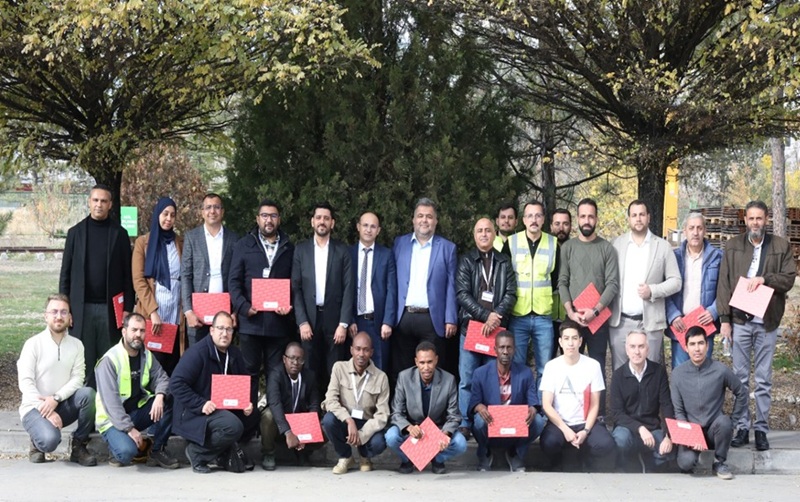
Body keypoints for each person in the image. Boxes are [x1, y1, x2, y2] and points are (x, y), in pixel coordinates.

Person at [716, 200, 796, 451]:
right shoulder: (733, 246)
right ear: (745, 220)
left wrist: (765, 279)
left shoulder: (780, 246)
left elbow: (789, 279)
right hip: (740, 322)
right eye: (751, 218)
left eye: (759, 218)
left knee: (763, 379)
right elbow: (724, 284)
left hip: (767, 322)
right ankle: (742, 427)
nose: (755, 223)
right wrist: (725, 320)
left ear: (766, 219)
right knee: (740, 378)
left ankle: (761, 429)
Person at [59, 184, 134, 387]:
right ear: (89, 202)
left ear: (110, 204)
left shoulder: (119, 234)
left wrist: (127, 309)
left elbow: (128, 275)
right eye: (95, 200)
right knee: (83, 360)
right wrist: (65, 310)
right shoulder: (75, 233)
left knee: (109, 360)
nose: (99, 204)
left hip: (110, 310)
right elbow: (65, 275)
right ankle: (84, 402)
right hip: (81, 309)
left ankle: (108, 402)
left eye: (103, 201)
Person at [171, 311, 256, 474]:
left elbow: (245, 382)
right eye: (220, 328)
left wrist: (246, 403)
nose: (225, 333)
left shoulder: (234, 353)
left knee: (253, 416)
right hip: (193, 412)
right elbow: (175, 383)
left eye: (229, 329)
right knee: (233, 426)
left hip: (220, 408)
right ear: (211, 330)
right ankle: (197, 453)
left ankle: (223, 451)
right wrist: (200, 404)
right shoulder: (197, 353)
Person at [17, 294, 97, 466]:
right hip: (34, 408)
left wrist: (56, 399)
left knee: (88, 395)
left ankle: (78, 446)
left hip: (61, 403)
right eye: (54, 312)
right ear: (45, 316)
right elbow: (25, 382)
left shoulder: (77, 345)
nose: (59, 316)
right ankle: (36, 442)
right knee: (50, 441)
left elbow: (78, 378)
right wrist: (46, 409)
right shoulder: (33, 344)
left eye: (63, 312)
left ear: (70, 317)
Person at [229, 199, 295, 402]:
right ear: (257, 219)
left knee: (276, 375)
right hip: (251, 323)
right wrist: (243, 307)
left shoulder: (288, 247)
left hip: (278, 324)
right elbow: (233, 281)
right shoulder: (243, 245)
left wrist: (289, 305)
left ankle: (273, 418)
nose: (269, 220)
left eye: (273, 216)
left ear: (279, 219)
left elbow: (294, 283)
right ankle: (249, 417)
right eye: (265, 215)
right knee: (249, 373)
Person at [455, 217, 516, 437]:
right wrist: (485, 316)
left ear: (494, 234)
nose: (484, 234)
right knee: (467, 378)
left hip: (496, 332)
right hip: (471, 328)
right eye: (479, 230)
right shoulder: (466, 261)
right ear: (474, 235)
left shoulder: (504, 261)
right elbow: (462, 294)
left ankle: (493, 420)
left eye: (488, 230)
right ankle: (465, 422)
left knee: (493, 378)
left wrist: (495, 317)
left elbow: (511, 293)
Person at [558, 198, 618, 415]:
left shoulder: (607, 249)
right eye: (582, 216)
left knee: (597, 367)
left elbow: (612, 284)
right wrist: (570, 312)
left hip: (598, 319)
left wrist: (596, 310)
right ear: (577, 219)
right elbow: (562, 282)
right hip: (573, 319)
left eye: (590, 216)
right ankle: (570, 413)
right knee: (570, 365)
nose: (586, 220)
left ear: (597, 219)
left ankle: (598, 415)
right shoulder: (568, 248)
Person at [95, 312, 179, 468]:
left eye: (142, 330)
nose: (138, 335)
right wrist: (129, 429)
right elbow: (112, 404)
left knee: (169, 397)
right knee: (126, 453)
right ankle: (115, 447)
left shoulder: (146, 355)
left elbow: (162, 378)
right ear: (124, 331)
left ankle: (157, 450)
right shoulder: (109, 360)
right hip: (112, 420)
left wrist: (160, 396)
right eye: (134, 330)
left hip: (135, 413)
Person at [609, 200, 681, 369]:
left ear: (648, 217)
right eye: (634, 215)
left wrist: (653, 291)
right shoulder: (615, 245)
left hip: (651, 322)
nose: (638, 218)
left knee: (650, 373)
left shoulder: (662, 246)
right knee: (620, 372)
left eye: (642, 214)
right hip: (621, 322)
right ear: (629, 219)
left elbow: (676, 281)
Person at [292, 202, 354, 391]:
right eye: (318, 217)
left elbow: (349, 288)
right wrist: (302, 321)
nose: (322, 221)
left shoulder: (342, 251)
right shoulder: (301, 250)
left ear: (332, 223)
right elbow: (296, 288)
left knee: (334, 369)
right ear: (312, 222)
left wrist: (343, 324)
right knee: (309, 368)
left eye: (326, 218)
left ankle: (332, 407)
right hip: (309, 321)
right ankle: (311, 407)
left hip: (334, 322)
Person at [393, 198, 458, 377]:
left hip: (432, 319)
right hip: (403, 317)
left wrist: (450, 318)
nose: (424, 220)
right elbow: (392, 282)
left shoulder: (447, 248)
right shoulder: (399, 244)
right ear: (413, 220)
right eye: (420, 216)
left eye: (429, 216)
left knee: (433, 371)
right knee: (403, 371)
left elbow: (452, 285)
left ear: (436, 221)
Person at [671, 327, 747, 479]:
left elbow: (742, 393)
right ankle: (694, 457)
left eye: (701, 343)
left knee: (725, 422)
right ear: (686, 348)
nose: (697, 349)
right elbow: (678, 411)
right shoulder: (677, 374)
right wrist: (691, 437)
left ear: (707, 345)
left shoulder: (720, 370)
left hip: (714, 430)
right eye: (692, 344)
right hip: (691, 431)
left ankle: (719, 461)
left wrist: (733, 421)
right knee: (685, 463)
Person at [539, 320, 615, 470]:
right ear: (560, 342)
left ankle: (586, 458)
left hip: (585, 422)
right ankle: (558, 463)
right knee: (549, 443)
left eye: (574, 338)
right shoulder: (551, 366)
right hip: (560, 423)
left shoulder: (593, 365)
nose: (570, 343)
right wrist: (565, 429)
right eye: (566, 338)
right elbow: (546, 405)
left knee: (605, 444)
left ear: (580, 341)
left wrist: (586, 431)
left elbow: (595, 404)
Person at [468, 331, 546, 472]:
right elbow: (474, 402)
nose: (505, 352)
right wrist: (479, 407)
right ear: (495, 349)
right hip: (492, 422)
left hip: (515, 424)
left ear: (514, 349)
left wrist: (533, 409)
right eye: (502, 347)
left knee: (539, 421)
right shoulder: (480, 373)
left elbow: (533, 401)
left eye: (509, 347)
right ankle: (486, 452)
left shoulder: (525, 372)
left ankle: (516, 453)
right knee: (478, 420)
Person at [386, 341, 467, 474]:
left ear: (436, 360)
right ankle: (408, 460)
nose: (426, 367)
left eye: (429, 362)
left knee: (460, 443)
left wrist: (444, 435)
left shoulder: (449, 380)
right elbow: (396, 413)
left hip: (437, 428)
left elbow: (454, 416)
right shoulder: (404, 377)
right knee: (391, 436)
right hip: (413, 429)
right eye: (422, 363)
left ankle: (437, 459)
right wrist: (409, 428)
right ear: (416, 362)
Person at [502, 200, 559, 388]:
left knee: (545, 368)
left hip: (543, 315)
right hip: (518, 314)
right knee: (517, 367)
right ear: (523, 220)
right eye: (530, 216)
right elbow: (504, 277)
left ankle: (542, 405)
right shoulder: (511, 243)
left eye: (538, 215)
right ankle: (520, 404)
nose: (534, 219)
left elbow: (556, 278)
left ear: (543, 219)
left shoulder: (553, 243)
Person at [321, 332, 389, 474]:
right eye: (357, 349)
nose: (361, 354)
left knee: (379, 442)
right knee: (328, 420)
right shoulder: (339, 368)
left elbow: (382, 415)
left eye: (365, 350)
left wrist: (362, 435)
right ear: (351, 350)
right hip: (345, 421)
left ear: (371, 352)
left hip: (366, 423)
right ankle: (345, 456)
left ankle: (365, 456)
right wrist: (348, 420)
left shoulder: (381, 377)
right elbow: (330, 400)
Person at [132, 197, 184, 375]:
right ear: (157, 215)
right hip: (152, 313)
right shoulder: (143, 243)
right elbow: (138, 280)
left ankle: (169, 394)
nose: (168, 219)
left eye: (172, 215)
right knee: (152, 363)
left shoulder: (180, 242)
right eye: (165, 214)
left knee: (172, 362)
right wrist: (153, 312)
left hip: (174, 313)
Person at [609, 331, 674, 472]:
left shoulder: (658, 372)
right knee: (620, 440)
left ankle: (650, 463)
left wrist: (668, 435)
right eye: (632, 347)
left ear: (647, 349)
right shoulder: (618, 376)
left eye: (641, 346)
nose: (637, 352)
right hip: (627, 429)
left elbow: (666, 405)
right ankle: (626, 466)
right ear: (626, 350)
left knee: (666, 450)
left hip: (652, 429)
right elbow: (616, 413)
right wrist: (640, 428)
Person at [181, 193, 239, 346]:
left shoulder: (233, 239)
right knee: (198, 356)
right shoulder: (192, 237)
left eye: (216, 207)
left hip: (225, 313)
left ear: (222, 211)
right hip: (198, 314)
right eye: (208, 207)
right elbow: (186, 275)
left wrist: (235, 311)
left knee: (222, 354)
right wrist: (188, 311)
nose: (212, 211)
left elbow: (238, 276)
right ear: (202, 212)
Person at [665, 212, 722, 368]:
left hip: (705, 324)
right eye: (691, 228)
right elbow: (665, 290)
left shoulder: (717, 257)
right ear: (684, 231)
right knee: (680, 372)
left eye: (699, 228)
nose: (695, 232)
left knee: (703, 374)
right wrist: (673, 315)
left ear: (705, 231)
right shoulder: (673, 258)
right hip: (681, 324)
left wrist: (713, 311)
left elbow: (725, 290)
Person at [260, 342, 322, 470]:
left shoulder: (309, 376)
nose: (295, 362)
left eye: (299, 359)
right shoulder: (275, 375)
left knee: (324, 425)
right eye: (292, 358)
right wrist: (287, 432)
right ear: (284, 359)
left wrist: (308, 430)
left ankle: (304, 453)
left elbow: (314, 404)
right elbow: (275, 404)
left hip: (300, 423)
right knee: (268, 416)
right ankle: (268, 453)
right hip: (280, 424)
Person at [349, 211, 397, 371]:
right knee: (354, 369)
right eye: (365, 225)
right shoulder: (348, 254)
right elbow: (343, 290)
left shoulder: (386, 255)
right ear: (358, 227)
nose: (368, 230)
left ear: (378, 230)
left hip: (378, 323)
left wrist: (388, 321)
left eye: (373, 226)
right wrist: (349, 320)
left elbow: (391, 290)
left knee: (379, 368)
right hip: (355, 322)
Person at [550, 208, 572, 358]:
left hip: (570, 314)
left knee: (571, 357)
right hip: (547, 314)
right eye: (557, 224)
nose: (561, 228)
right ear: (551, 226)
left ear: (571, 225)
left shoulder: (576, 247)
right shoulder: (545, 247)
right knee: (549, 359)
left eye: (565, 224)